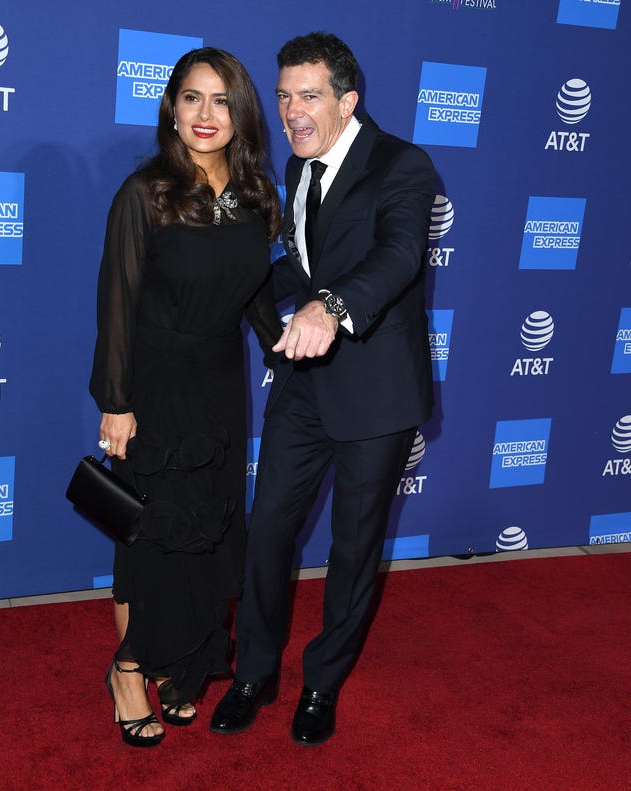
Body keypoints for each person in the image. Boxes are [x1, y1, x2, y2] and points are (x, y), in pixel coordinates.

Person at [210, 32, 437, 746]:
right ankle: (256, 671)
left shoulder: (403, 164)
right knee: (268, 530)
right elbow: (300, 268)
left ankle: (321, 682)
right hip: (304, 386)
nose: (290, 111)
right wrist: (218, 291)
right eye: (282, 96)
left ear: (347, 100)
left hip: (375, 395)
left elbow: (396, 256)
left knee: (352, 552)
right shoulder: (300, 167)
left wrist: (330, 307)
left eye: (308, 95)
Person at [89, 47, 282, 748]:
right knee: (149, 536)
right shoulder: (146, 194)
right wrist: (116, 401)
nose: (207, 115)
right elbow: (118, 302)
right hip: (156, 383)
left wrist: (288, 346)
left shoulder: (258, 196)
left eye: (221, 100)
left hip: (220, 384)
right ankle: (129, 671)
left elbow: (258, 292)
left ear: (241, 112)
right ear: (171, 107)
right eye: (192, 98)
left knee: (209, 533)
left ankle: (188, 657)